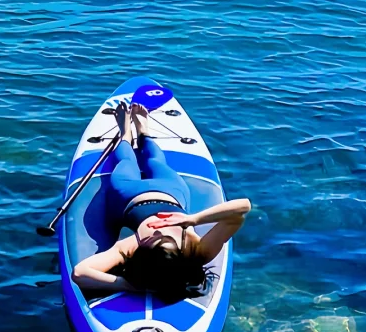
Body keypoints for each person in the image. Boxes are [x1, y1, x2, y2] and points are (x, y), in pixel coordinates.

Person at [73, 102, 251, 303]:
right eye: (164, 237)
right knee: (156, 162)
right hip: (171, 191)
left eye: (152, 239)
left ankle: (125, 133)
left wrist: (127, 284)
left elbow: (80, 273)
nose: (157, 231)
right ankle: (143, 131)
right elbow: (241, 210)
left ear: (142, 257)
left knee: (127, 164)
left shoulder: (132, 246)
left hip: (128, 195)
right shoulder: (200, 250)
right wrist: (193, 219)